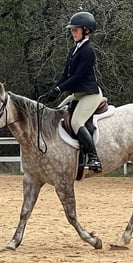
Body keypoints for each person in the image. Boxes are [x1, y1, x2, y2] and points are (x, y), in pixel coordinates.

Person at [41, 11, 103, 172]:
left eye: (76, 29)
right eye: (72, 29)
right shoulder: (74, 49)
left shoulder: (88, 51)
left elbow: (78, 76)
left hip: (90, 94)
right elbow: (65, 75)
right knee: (56, 113)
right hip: (77, 94)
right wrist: (53, 90)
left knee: (76, 122)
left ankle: (94, 158)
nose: (72, 32)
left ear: (86, 31)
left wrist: (60, 89)